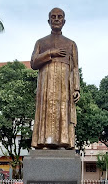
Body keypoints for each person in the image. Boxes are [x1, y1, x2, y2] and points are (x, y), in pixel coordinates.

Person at [31, 8, 80, 149]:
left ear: (64, 21)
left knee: (62, 110)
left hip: (64, 84)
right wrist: (50, 53)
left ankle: (63, 142)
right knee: (46, 110)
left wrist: (76, 88)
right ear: (49, 21)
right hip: (45, 82)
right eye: (53, 17)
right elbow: (34, 63)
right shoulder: (41, 42)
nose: (56, 19)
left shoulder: (71, 44)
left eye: (60, 17)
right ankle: (44, 142)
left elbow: (75, 68)